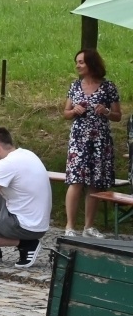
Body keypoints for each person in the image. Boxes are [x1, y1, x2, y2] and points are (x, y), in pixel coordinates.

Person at [0, 126, 52, 268]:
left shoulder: (8, 164)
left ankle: (26, 243)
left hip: (26, 225)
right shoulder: (25, 154)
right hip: (35, 220)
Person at [62, 48, 121, 236]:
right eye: (77, 62)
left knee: (95, 182)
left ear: (91, 63)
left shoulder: (108, 87)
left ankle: (88, 227)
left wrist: (106, 112)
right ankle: (70, 227)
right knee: (76, 181)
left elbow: (118, 115)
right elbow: (65, 113)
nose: (77, 66)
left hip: (100, 140)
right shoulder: (74, 86)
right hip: (79, 139)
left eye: (81, 62)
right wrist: (74, 111)